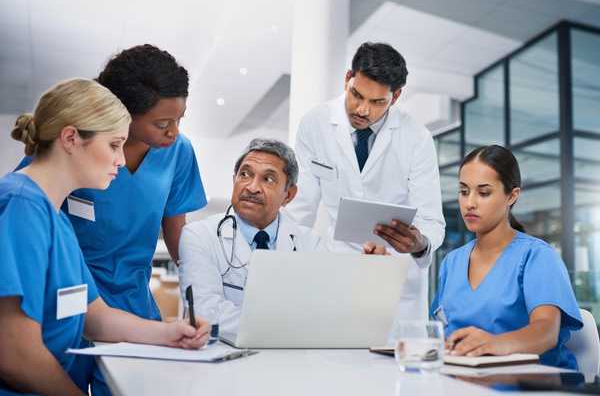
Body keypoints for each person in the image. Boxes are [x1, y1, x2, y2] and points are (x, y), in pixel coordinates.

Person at [0, 78, 210, 396]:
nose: (122, 161)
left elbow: (95, 317)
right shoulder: (21, 206)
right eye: (114, 145)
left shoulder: (57, 218)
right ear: (71, 138)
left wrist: (170, 333)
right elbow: (15, 353)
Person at [287, 42, 445, 319]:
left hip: (396, 270)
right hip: (340, 266)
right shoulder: (315, 123)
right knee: (336, 354)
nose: (362, 110)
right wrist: (284, 266)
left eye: (377, 102)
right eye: (356, 95)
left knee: (394, 356)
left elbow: (431, 219)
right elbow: (300, 208)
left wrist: (418, 243)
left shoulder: (417, 138)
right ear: (348, 78)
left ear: (395, 97)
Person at [178, 138, 386, 337]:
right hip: (225, 360)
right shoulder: (199, 236)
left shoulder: (310, 243)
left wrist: (367, 277)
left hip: (292, 362)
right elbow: (205, 314)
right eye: (245, 174)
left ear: (289, 195)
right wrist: (298, 325)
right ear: (234, 180)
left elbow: (331, 307)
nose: (252, 187)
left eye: (268, 179)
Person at [431, 145, 582, 369]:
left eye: (484, 193)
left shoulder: (537, 256)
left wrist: (494, 344)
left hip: (531, 383)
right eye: (464, 191)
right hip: (463, 378)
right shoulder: (452, 262)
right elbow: (438, 329)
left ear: (512, 196)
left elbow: (546, 331)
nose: (470, 203)